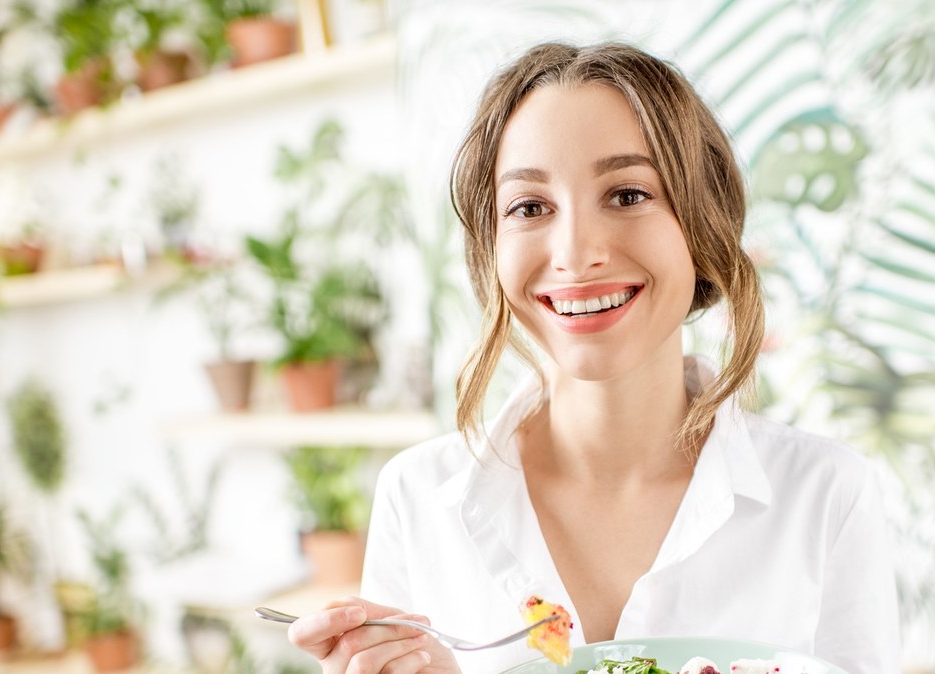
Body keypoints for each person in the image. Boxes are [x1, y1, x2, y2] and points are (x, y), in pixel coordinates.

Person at [287, 41, 899, 674]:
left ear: (704, 223)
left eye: (628, 194)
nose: (576, 252)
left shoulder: (826, 494)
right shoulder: (417, 499)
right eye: (529, 207)